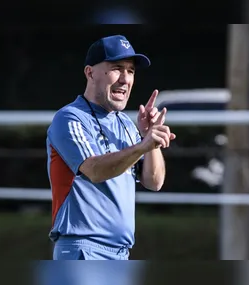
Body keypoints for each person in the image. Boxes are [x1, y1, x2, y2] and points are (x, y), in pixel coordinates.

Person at [46, 34, 176, 260]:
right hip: (83, 250)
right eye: (117, 68)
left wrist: (150, 141)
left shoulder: (126, 123)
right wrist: (142, 146)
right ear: (90, 72)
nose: (125, 79)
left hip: (121, 253)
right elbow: (95, 170)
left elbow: (154, 182)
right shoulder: (69, 118)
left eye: (131, 71)